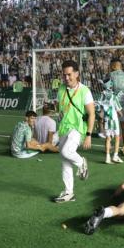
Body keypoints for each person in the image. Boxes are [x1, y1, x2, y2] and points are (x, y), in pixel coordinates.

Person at [54, 60, 95, 203]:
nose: (66, 78)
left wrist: (89, 135)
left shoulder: (85, 90)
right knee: (65, 162)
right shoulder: (60, 89)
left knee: (67, 152)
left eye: (69, 74)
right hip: (64, 128)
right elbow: (61, 110)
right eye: (64, 75)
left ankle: (82, 162)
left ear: (77, 74)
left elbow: (91, 114)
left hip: (77, 129)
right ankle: (68, 193)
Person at [108, 58, 124, 146]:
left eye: (111, 66)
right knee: (123, 126)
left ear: (114, 66)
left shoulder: (110, 75)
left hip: (113, 104)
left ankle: (110, 146)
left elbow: (107, 90)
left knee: (111, 125)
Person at [98, 82, 123, 164]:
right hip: (114, 119)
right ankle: (115, 156)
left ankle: (107, 158)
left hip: (106, 119)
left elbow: (99, 109)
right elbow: (119, 110)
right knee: (117, 137)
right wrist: (122, 115)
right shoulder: (114, 96)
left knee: (108, 138)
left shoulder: (101, 96)